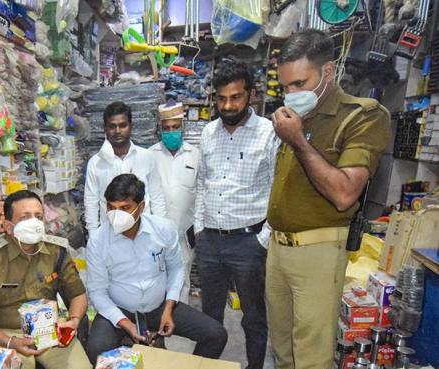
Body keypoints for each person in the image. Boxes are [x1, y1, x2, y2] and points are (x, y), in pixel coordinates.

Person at [267, 29, 390, 369]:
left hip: (318, 251)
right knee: (282, 349)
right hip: (278, 250)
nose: (291, 94)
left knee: (311, 355)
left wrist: (299, 142)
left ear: (328, 72)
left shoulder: (362, 115)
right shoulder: (296, 117)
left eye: (300, 84)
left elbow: (344, 193)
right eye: (285, 86)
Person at [86, 174, 228, 364]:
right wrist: (124, 322)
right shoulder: (98, 240)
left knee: (216, 334)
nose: (116, 215)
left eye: (125, 208)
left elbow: (176, 268)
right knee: (96, 349)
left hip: (159, 307)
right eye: (111, 208)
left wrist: (169, 307)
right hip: (120, 309)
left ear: (141, 207)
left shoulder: (163, 230)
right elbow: (97, 291)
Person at [193, 58, 278, 369]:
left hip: (249, 242)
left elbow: (276, 188)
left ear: (251, 95)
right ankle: (207, 366)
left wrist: (263, 239)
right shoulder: (207, 133)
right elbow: (201, 182)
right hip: (211, 241)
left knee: (254, 317)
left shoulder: (269, 133)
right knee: (209, 318)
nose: (228, 105)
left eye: (235, 97)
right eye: (221, 98)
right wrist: (200, 228)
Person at [0, 190, 92, 369]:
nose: (34, 222)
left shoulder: (56, 251)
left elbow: (78, 295)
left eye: (38, 216)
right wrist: (10, 341)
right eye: (25, 217)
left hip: (49, 330)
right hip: (5, 335)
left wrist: (74, 321)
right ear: (8, 226)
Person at [84, 101, 166, 235]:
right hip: (110, 234)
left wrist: (159, 231)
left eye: (122, 125)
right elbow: (91, 203)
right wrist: (93, 236)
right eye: (112, 126)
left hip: (143, 233)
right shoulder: (96, 163)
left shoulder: (147, 157)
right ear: (105, 128)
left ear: (131, 126)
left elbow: (157, 197)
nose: (117, 131)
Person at [149, 101, 199, 302]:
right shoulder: (149, 155)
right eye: (166, 128)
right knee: (156, 281)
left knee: (182, 281)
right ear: (160, 129)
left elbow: (201, 193)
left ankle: (180, 324)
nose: (171, 132)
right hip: (155, 234)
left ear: (182, 127)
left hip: (183, 234)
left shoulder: (195, 155)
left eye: (175, 127)